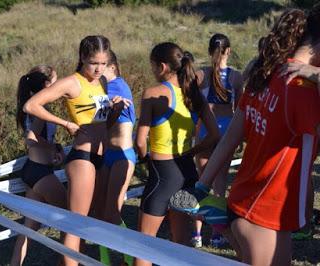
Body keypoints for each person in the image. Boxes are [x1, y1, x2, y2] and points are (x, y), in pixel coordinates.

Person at [179, 7, 320, 265]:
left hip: (243, 206)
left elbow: (233, 134)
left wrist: (202, 185)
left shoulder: (266, 72)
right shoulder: (303, 89)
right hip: (265, 218)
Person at [23, 35, 126, 266]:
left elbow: (103, 125)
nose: (99, 68)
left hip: (100, 155)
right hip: (82, 159)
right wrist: (66, 123)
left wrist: (116, 109)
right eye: (93, 63)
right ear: (82, 58)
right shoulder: (72, 82)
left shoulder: (101, 83)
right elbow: (31, 106)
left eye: (103, 63)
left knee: (91, 221)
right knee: (75, 223)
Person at [135, 42, 220, 266]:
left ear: (162, 66)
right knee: (180, 244)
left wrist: (143, 159)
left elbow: (140, 140)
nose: (152, 71)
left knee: (144, 245)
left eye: (152, 67)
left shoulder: (153, 93)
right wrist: (191, 151)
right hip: (187, 172)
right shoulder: (194, 95)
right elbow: (214, 136)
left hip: (162, 175)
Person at [10, 65, 67, 266]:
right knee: (69, 221)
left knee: (28, 228)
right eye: (55, 81)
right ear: (46, 85)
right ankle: (66, 262)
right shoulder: (39, 109)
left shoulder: (28, 107)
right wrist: (53, 147)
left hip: (32, 171)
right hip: (42, 173)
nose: (58, 85)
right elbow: (31, 138)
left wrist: (53, 148)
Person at [194, 33, 244, 248]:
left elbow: (193, 105)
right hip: (226, 130)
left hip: (205, 129)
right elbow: (240, 108)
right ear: (229, 51)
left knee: (200, 182)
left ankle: (196, 233)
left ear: (208, 51)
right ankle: (216, 233)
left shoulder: (200, 74)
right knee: (219, 186)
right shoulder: (236, 77)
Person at [97, 50, 136, 265]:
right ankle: (106, 261)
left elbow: (106, 113)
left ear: (111, 66)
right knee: (102, 213)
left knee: (112, 213)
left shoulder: (118, 86)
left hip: (122, 155)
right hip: (108, 155)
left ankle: (130, 260)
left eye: (102, 66)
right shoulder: (104, 88)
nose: (97, 70)